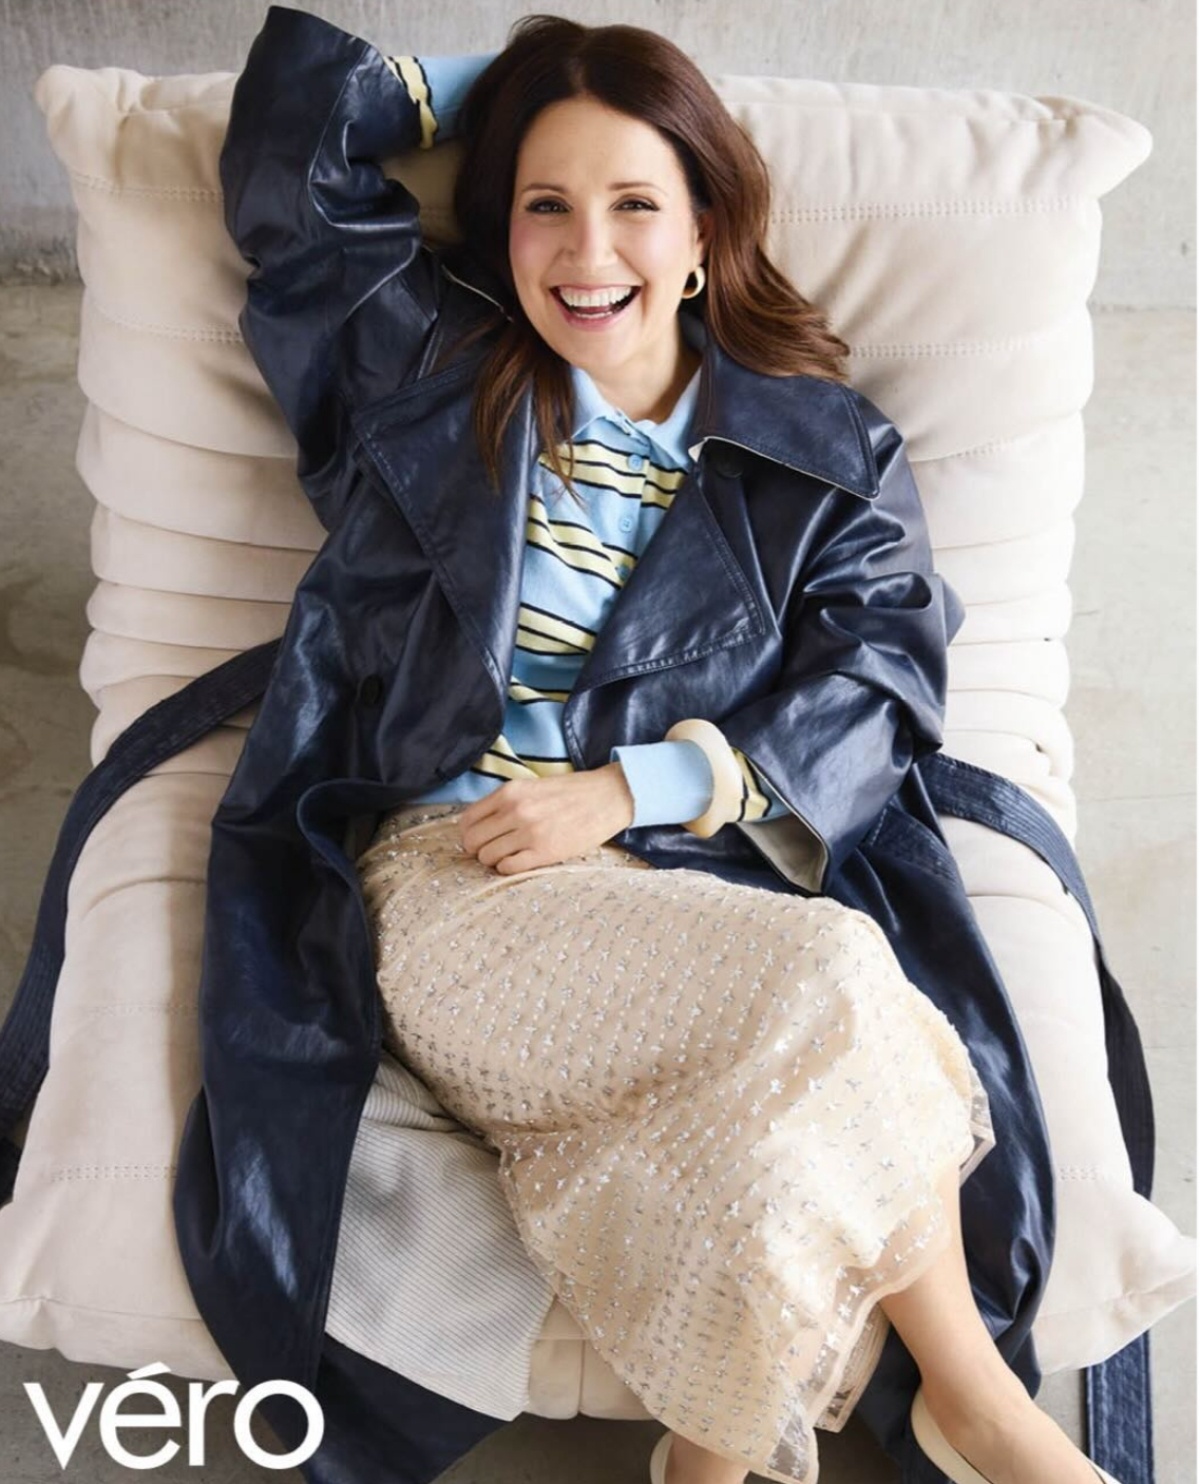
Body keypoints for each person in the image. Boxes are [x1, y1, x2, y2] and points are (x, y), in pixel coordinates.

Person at [172, 8, 1129, 1483]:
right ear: (500, 228)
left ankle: (709, 1452)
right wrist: (531, 78)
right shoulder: (418, 370)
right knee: (838, 978)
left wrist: (633, 790)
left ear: (703, 234)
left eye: (634, 204)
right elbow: (292, 143)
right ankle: (976, 1405)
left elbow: (881, 676)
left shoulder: (825, 449)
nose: (585, 251)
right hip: (455, 888)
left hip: (696, 881)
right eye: (543, 205)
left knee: (798, 1049)